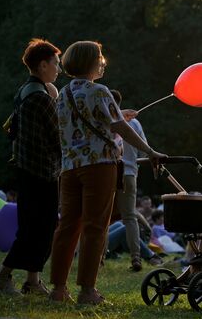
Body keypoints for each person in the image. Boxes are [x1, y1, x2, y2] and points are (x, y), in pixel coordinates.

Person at [49, 40, 167, 305]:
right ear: (91, 62)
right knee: (95, 227)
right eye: (100, 57)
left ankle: (58, 289)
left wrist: (118, 115)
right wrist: (150, 151)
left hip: (69, 169)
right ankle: (87, 291)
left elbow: (87, 122)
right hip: (99, 167)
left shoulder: (63, 95)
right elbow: (122, 130)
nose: (103, 61)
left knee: (67, 227)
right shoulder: (100, 91)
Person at [0, 39, 62, 296]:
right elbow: (58, 136)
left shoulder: (24, 91)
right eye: (55, 64)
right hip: (43, 171)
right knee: (39, 227)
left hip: (25, 169)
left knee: (34, 225)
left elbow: (10, 128)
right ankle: (2, 275)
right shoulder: (41, 97)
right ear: (43, 65)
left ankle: (32, 280)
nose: (58, 69)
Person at [109, 89, 148, 272]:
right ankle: (136, 258)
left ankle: (99, 258)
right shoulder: (136, 123)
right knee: (130, 217)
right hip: (130, 172)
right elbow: (143, 150)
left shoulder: (104, 121)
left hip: (108, 172)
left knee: (102, 217)